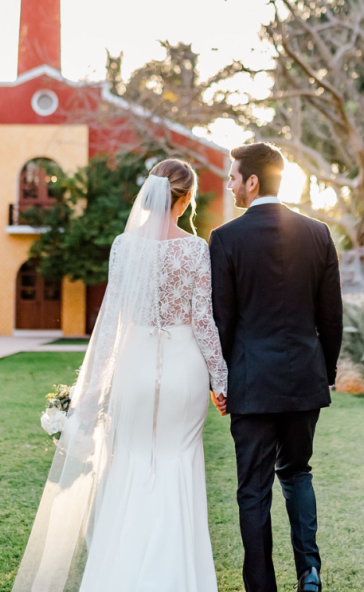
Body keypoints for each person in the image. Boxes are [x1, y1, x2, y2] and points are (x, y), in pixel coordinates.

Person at [13, 159, 228, 592]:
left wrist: (93, 388)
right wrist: (221, 382)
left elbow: (111, 325)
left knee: (130, 463)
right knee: (178, 464)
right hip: (184, 370)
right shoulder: (194, 249)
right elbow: (204, 321)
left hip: (133, 368)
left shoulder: (123, 246)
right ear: (184, 198)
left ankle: (118, 575)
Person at [209, 143, 343, 592]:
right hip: (304, 379)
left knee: (253, 490)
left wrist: (220, 379)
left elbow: (222, 319)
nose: (230, 185)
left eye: (233, 177)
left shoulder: (226, 238)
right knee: (298, 472)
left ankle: (261, 587)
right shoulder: (318, 233)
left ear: (252, 181)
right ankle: (309, 572)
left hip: (251, 384)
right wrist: (324, 372)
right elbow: (332, 315)